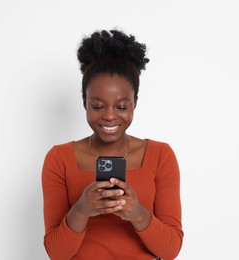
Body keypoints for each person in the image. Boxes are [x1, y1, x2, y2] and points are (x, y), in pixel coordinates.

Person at [42, 29, 183, 260]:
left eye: (121, 107)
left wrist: (137, 214)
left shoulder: (160, 155)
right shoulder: (59, 159)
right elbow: (56, 253)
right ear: (84, 102)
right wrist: (81, 210)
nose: (109, 116)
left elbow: (171, 250)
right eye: (98, 106)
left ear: (134, 103)